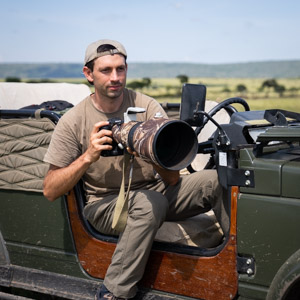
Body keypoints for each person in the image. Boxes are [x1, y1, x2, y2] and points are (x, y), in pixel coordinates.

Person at [43, 39, 228, 300]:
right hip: (105, 204)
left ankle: (241, 265)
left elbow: (173, 178)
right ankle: (114, 293)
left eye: (121, 69)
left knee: (216, 180)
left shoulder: (147, 106)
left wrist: (150, 151)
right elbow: (50, 190)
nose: (115, 77)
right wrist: (88, 156)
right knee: (150, 202)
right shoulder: (74, 121)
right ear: (88, 74)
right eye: (106, 70)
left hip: (157, 192)